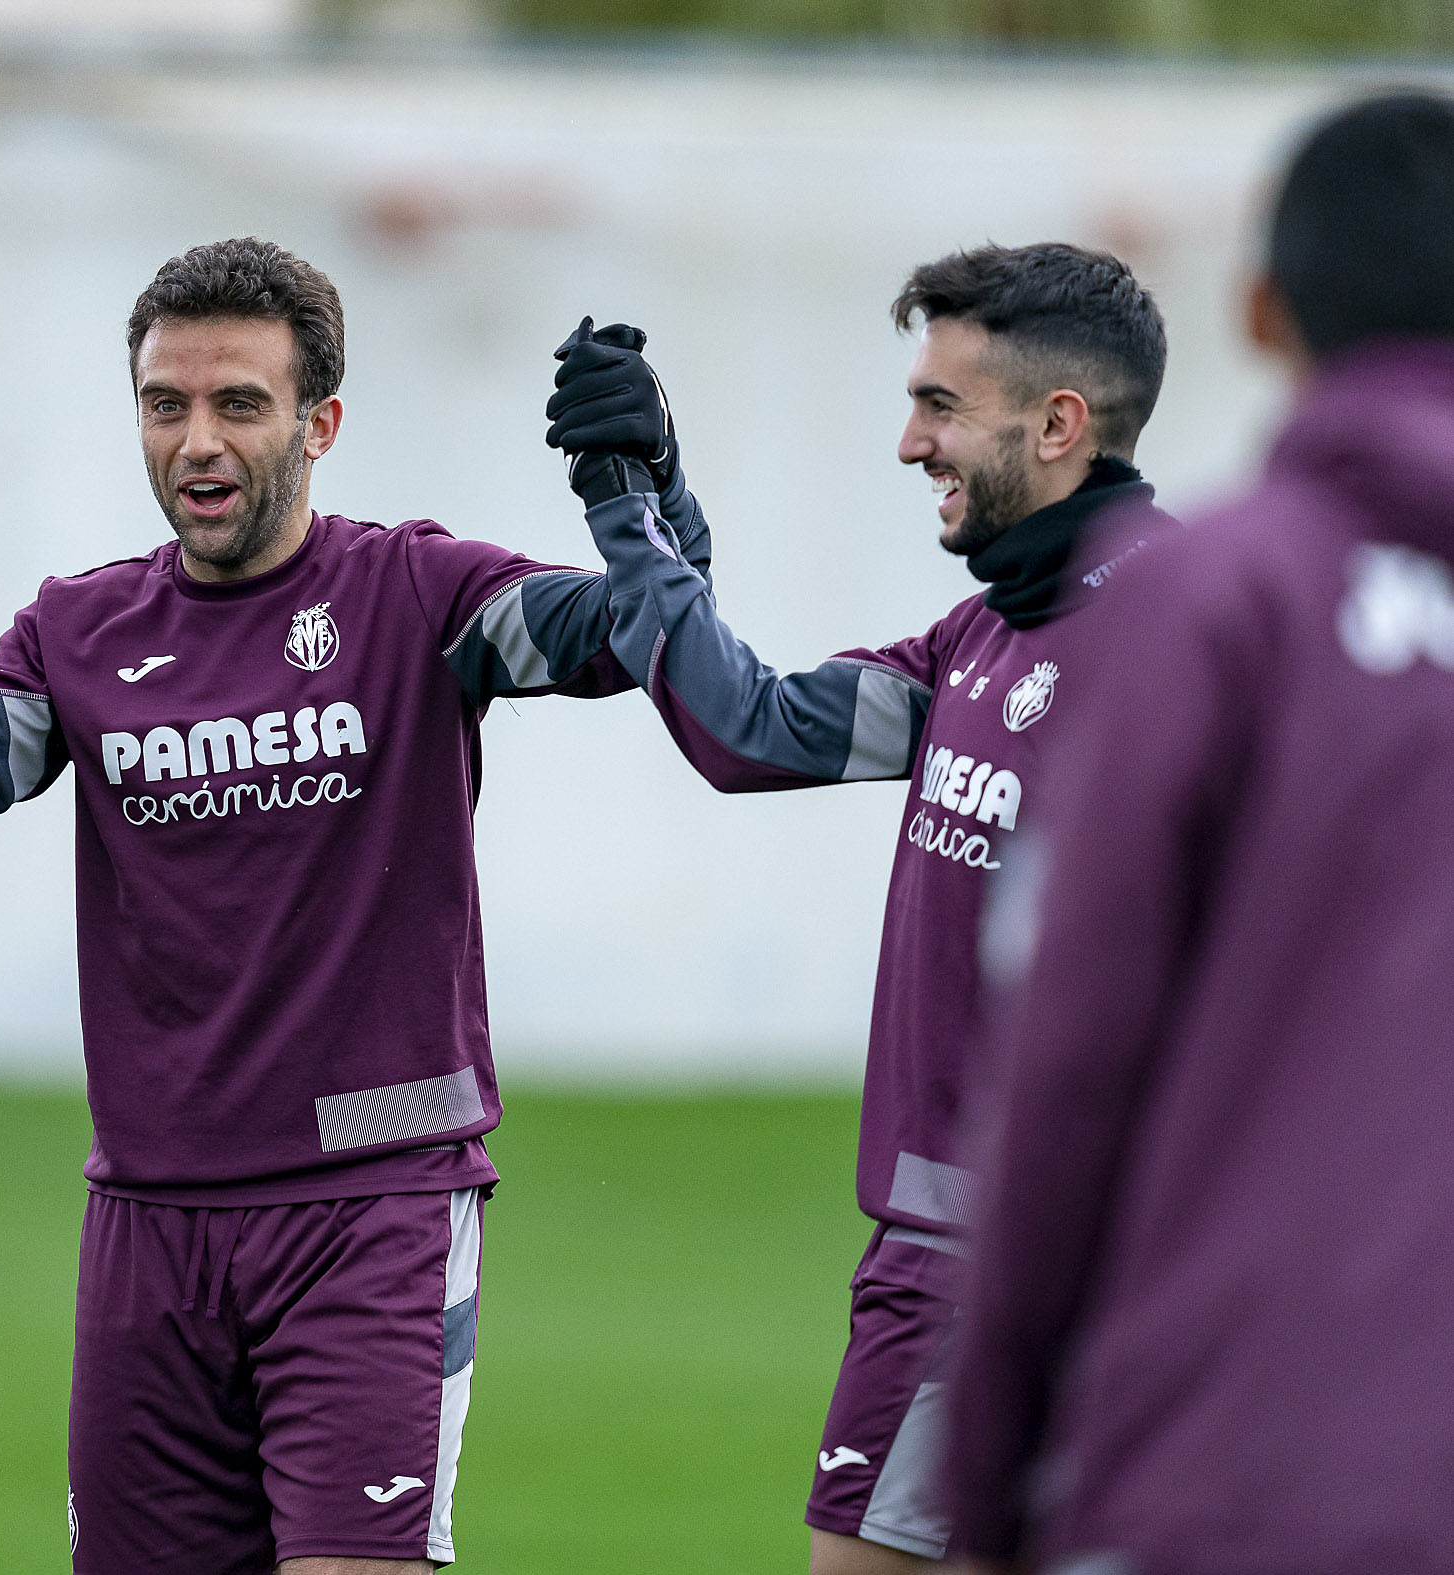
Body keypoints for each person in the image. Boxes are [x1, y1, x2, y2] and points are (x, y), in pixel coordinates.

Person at [0, 235, 637, 1574]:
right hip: (151, 1219)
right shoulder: (79, 632)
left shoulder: (420, 593)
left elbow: (627, 634)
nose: (196, 439)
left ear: (320, 422)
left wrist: (645, 494)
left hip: (372, 1199)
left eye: (238, 403)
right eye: (166, 404)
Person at [540, 244, 1174, 1573]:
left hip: (1014, 1262)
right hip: (982, 1259)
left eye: (939, 404)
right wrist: (637, 500)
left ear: (1056, 423)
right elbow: (747, 726)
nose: (906, 441)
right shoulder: (985, 636)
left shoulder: (1175, 649)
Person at [947, 91, 1454, 1575]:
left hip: (1226, 1481)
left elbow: (1063, 1067)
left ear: (1256, 310)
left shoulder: (1210, 597)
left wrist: (983, 1489)